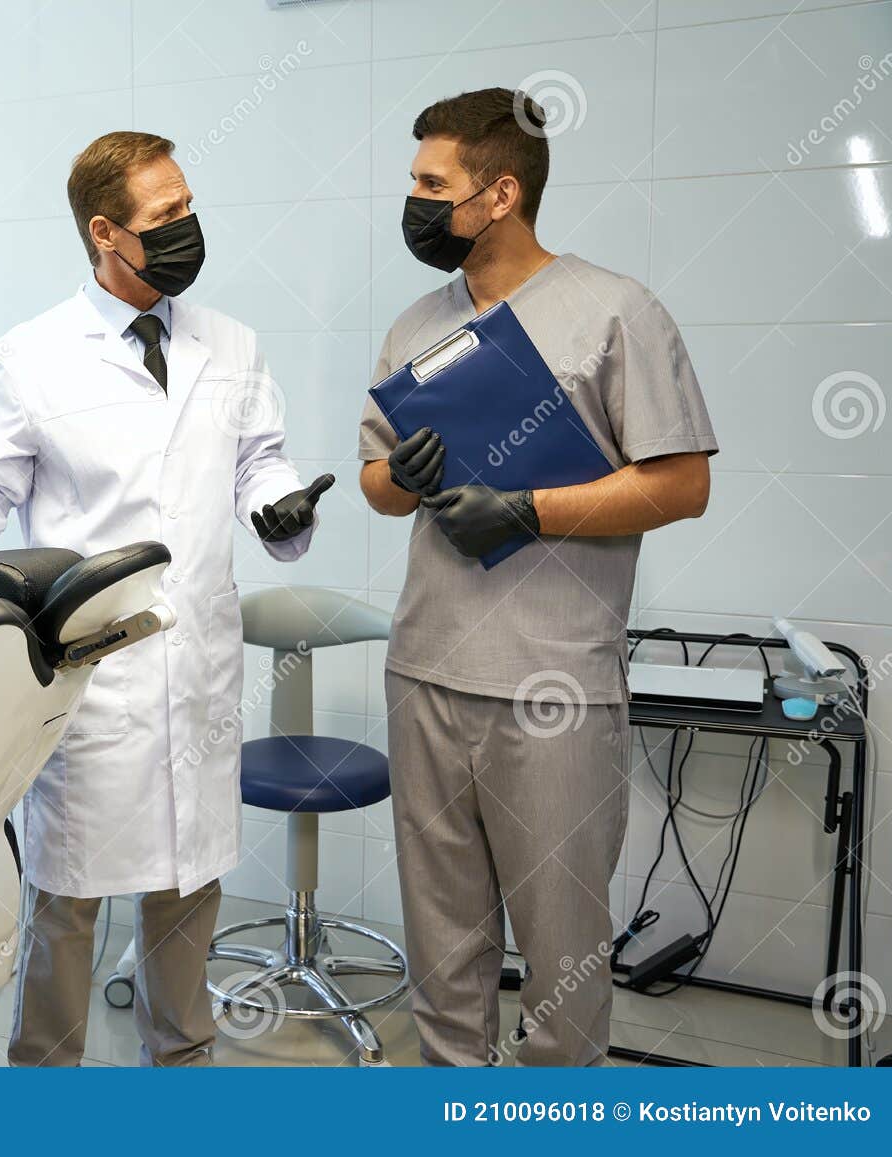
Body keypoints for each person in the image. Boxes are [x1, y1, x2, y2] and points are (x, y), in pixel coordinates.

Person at [0, 130, 331, 1066]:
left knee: (187, 892)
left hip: (197, 666)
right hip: (91, 678)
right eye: (166, 216)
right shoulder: (33, 354)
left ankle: (182, 1068)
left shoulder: (231, 343)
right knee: (67, 905)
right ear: (105, 233)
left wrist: (278, 505)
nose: (188, 227)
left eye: (188, 205)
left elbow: (259, 463)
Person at [358, 88, 717, 1066]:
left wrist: (529, 510)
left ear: (500, 193)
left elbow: (682, 483)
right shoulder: (412, 325)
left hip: (549, 689)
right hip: (425, 673)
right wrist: (403, 477)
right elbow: (375, 483)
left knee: (561, 978)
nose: (415, 201)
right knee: (444, 969)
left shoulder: (615, 312)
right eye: (414, 183)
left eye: (433, 184)